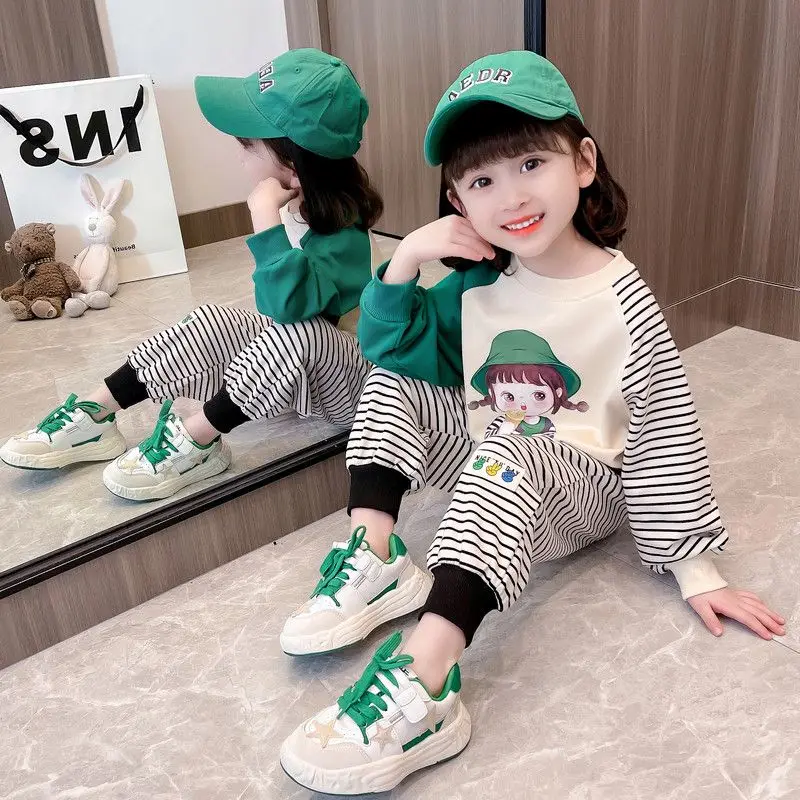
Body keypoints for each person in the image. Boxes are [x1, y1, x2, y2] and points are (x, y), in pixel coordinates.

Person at [278, 51, 786, 795]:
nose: (511, 196)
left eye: (529, 164)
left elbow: (665, 430)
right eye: (481, 181)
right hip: (494, 458)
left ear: (582, 163)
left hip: (583, 485)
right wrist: (408, 257)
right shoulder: (484, 281)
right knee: (395, 379)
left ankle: (426, 679)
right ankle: (377, 552)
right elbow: (392, 348)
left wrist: (694, 569)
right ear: (457, 201)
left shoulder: (622, 300)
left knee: (512, 449)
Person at [0, 48, 383, 502]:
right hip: (304, 373)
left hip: (355, 391)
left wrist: (264, 219)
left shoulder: (344, 235)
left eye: (248, 146)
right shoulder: (300, 206)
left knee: (300, 334)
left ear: (294, 168)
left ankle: (200, 438)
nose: (240, 157)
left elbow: (292, 314)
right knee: (211, 319)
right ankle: (96, 413)